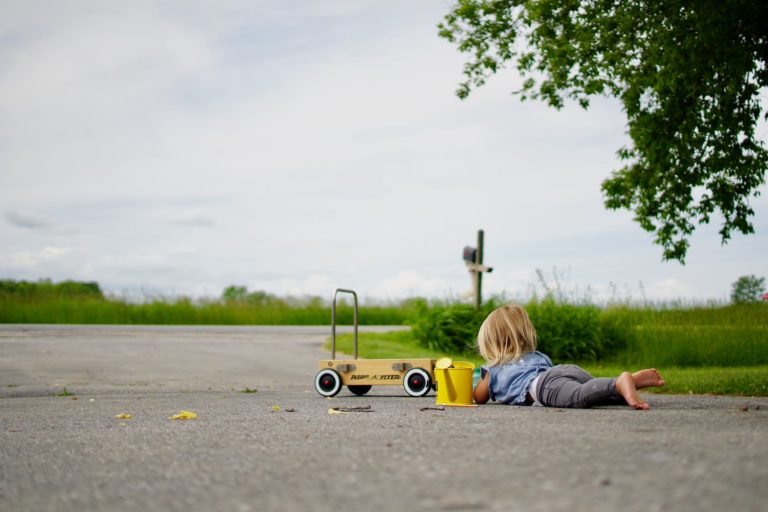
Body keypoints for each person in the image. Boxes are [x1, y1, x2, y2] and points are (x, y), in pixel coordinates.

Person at [472, 303, 665, 410]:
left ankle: (619, 382)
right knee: (596, 394)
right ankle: (627, 384)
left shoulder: (493, 369)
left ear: (491, 343)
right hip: (565, 370)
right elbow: (552, 371)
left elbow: (479, 397)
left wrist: (476, 384)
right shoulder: (535, 355)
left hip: (544, 386)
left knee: (579, 397)